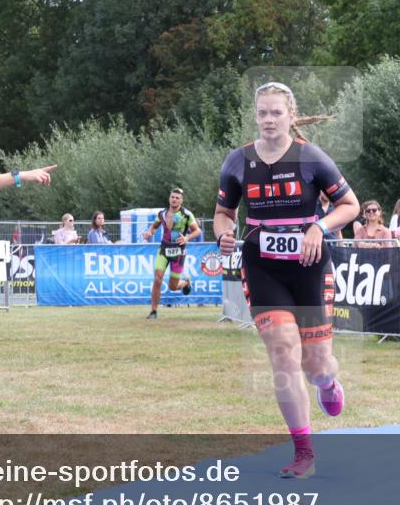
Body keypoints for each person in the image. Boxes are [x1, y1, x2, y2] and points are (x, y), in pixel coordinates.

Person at [214, 81, 359, 479]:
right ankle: (304, 453)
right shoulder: (238, 161)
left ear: (292, 116)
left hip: (309, 265)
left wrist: (320, 228)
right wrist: (224, 232)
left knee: (315, 364)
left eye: (276, 112)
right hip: (262, 265)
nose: (268, 120)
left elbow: (350, 205)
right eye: (262, 113)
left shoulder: (311, 157)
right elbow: (223, 212)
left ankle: (328, 382)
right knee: (282, 351)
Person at [142, 187, 201, 319]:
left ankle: (185, 283)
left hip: (178, 253)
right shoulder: (162, 213)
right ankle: (153, 312)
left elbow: (197, 231)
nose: (174, 199)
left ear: (181, 200)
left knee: (173, 286)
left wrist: (186, 238)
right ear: (169, 198)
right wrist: (149, 232)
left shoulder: (186, 214)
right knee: (157, 279)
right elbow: (154, 226)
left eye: (177, 198)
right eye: (172, 197)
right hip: (163, 250)